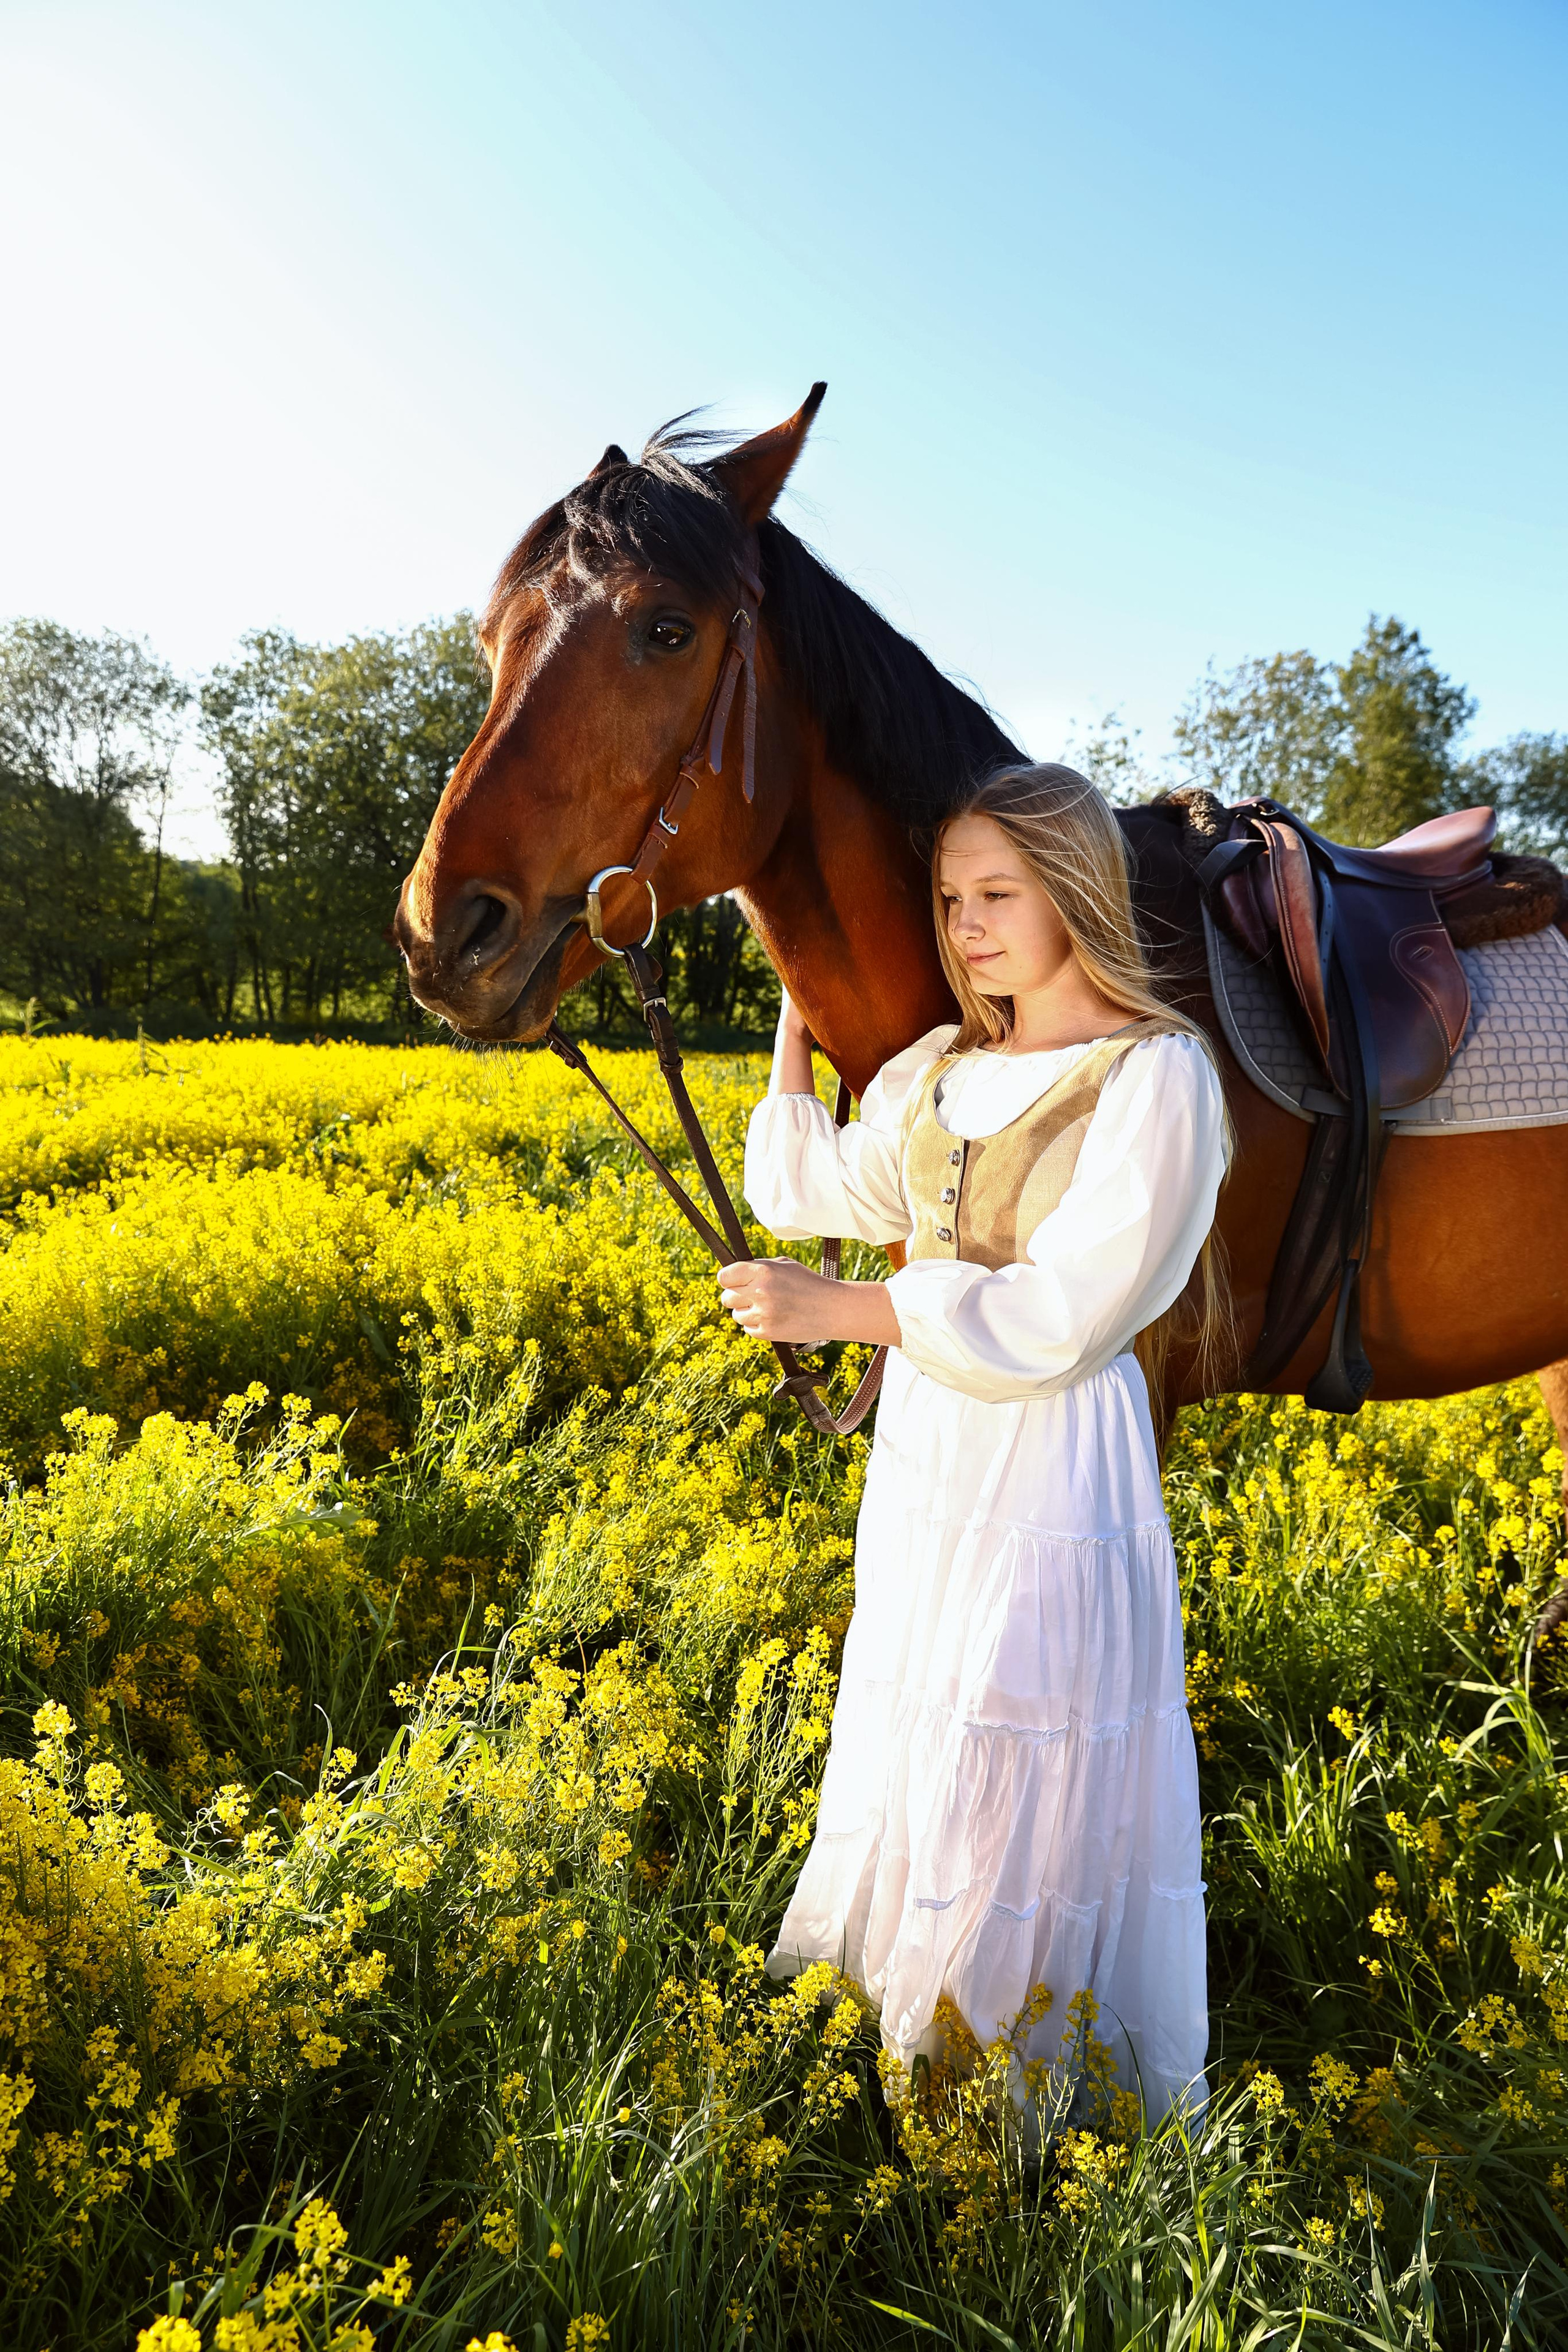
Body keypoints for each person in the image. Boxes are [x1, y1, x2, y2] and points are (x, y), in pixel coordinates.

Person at [718, 763, 1231, 2125]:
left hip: (1052, 1456)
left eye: (997, 894)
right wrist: (790, 1014)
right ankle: (913, 2013)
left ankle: (1009, 2079)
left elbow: (1065, 1316)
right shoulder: (942, 1069)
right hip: (936, 1452)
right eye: (950, 899)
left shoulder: (1154, 1075)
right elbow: (810, 1181)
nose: (967, 926)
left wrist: (847, 1311)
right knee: (926, 1705)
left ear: (1073, 890)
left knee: (1024, 1724)